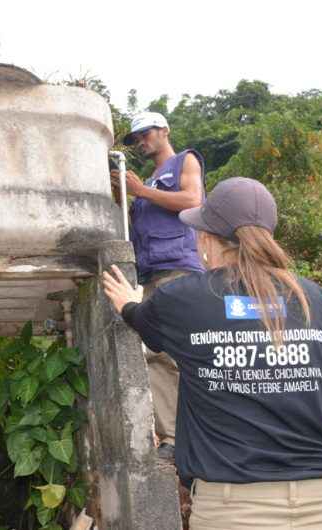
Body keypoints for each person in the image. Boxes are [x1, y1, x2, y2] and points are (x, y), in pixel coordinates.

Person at [103, 177, 322, 529]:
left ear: (208, 239)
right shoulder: (314, 300)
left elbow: (141, 318)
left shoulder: (181, 299)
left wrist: (127, 305)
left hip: (233, 512)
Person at [110, 111, 205, 461]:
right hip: (150, 276)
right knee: (155, 354)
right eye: (136, 138)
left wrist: (140, 191)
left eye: (146, 133)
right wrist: (127, 199)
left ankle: (195, 435)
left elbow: (192, 202)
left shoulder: (185, 160)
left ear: (165, 130)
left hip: (178, 269)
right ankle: (173, 439)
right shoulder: (146, 181)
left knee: (181, 352)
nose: (141, 141)